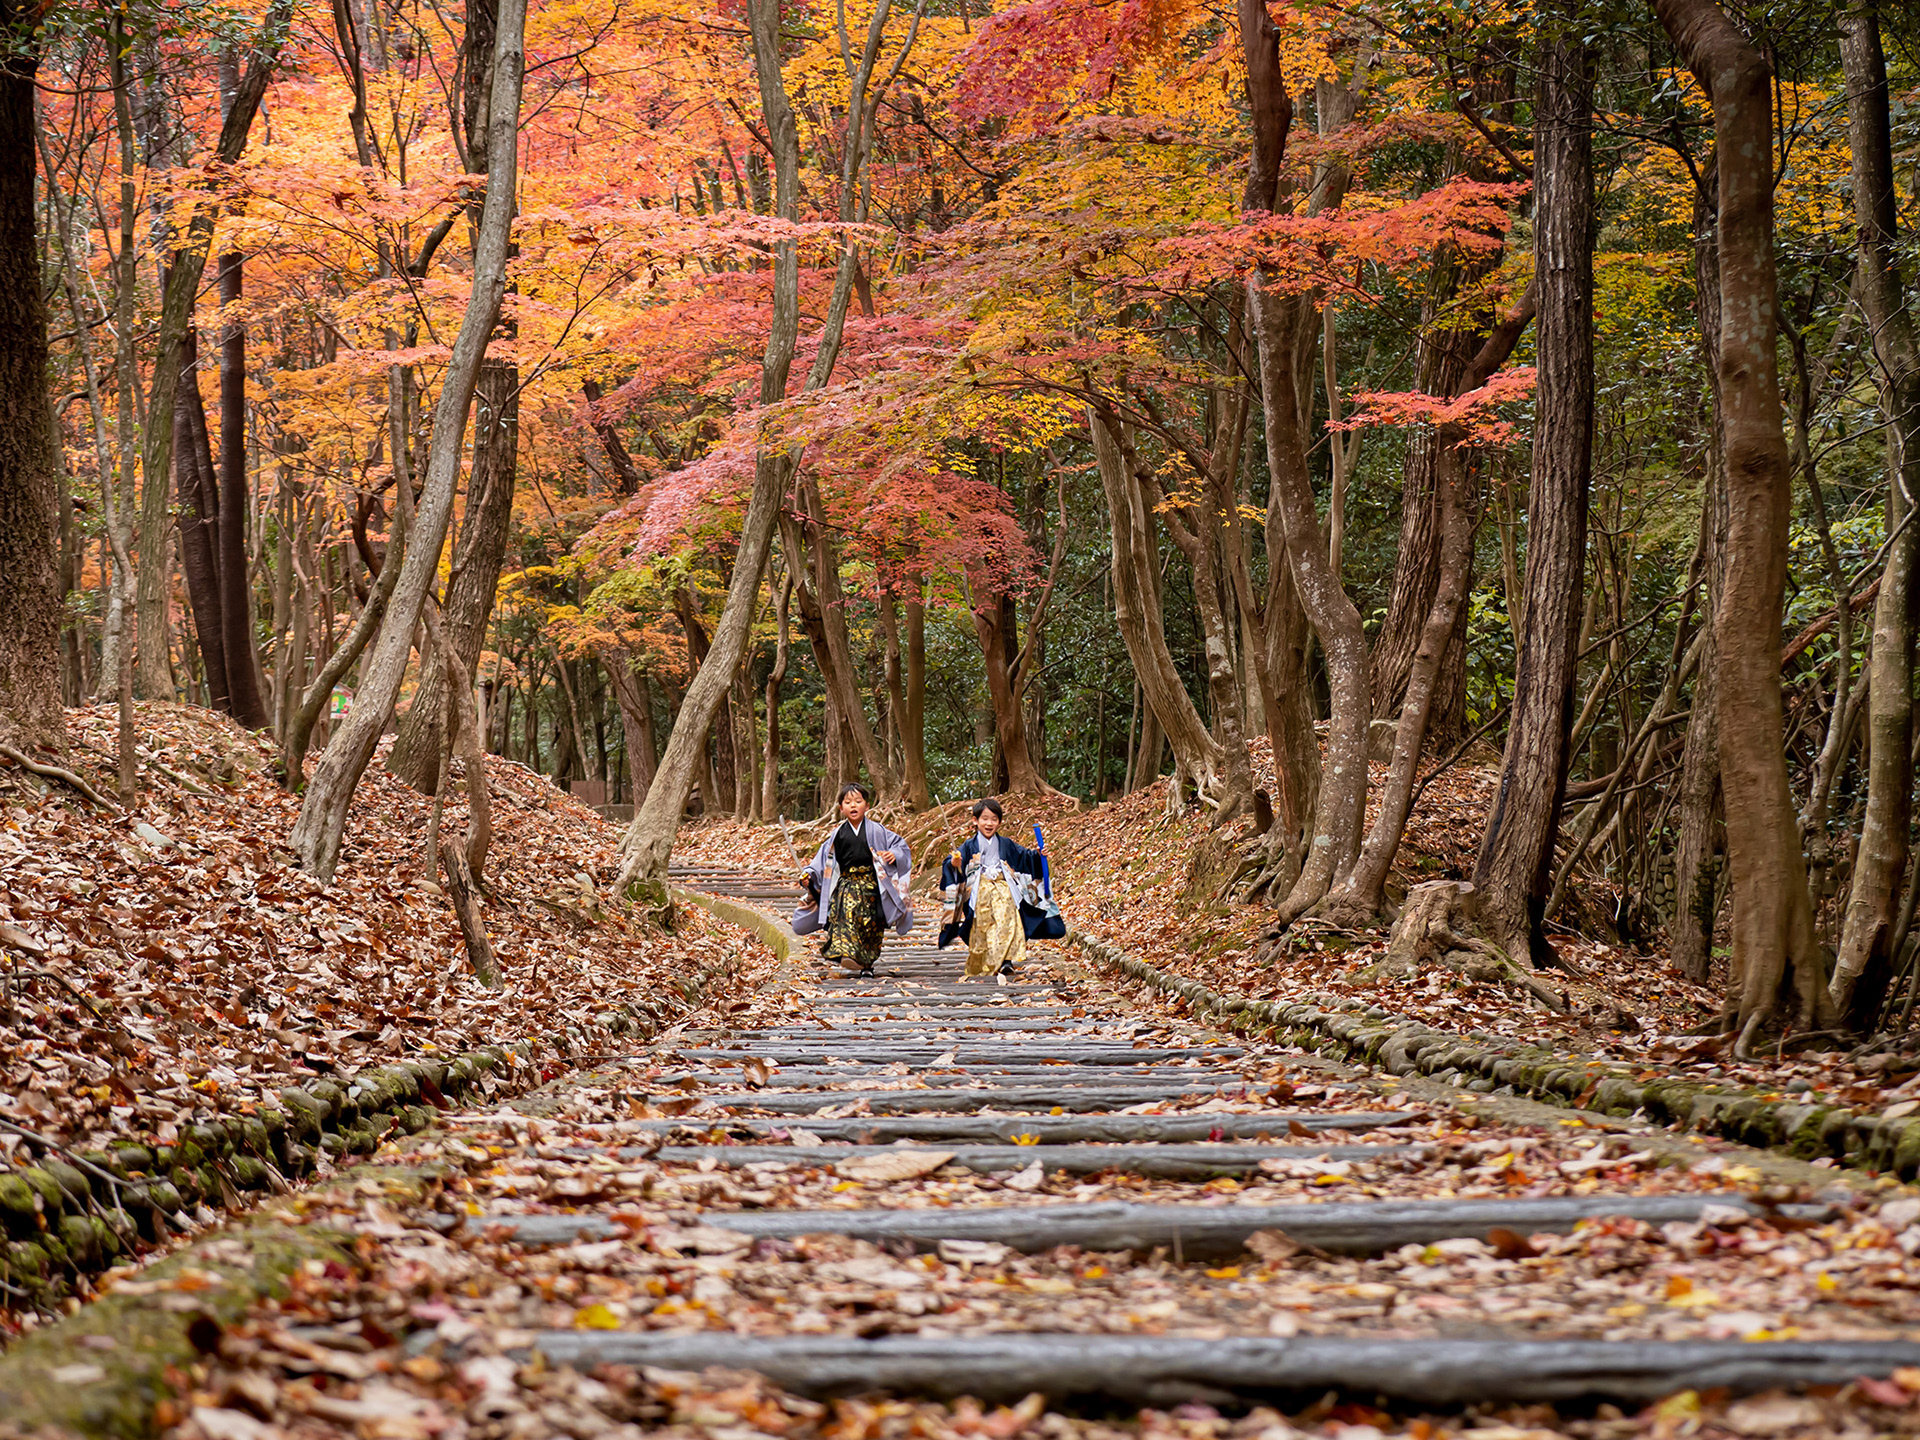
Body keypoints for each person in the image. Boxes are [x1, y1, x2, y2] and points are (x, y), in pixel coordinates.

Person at [791, 784, 913, 975]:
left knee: (871, 925)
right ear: (841, 808)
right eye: (847, 802)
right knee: (845, 918)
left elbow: (900, 846)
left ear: (867, 805)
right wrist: (809, 875)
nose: (853, 806)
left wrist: (893, 854)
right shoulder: (837, 834)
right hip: (846, 885)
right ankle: (846, 955)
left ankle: (866, 965)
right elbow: (820, 861)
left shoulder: (878, 831)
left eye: (858, 801)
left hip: (873, 887)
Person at [938, 798, 1049, 978]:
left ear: (999, 822)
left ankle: (1006, 961)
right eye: (985, 818)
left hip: (1003, 885)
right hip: (978, 888)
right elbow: (951, 864)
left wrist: (1037, 854)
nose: (989, 823)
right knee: (983, 923)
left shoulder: (1005, 843)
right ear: (975, 820)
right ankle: (987, 960)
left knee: (1006, 917)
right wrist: (955, 862)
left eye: (994, 819)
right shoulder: (968, 845)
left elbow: (1024, 856)